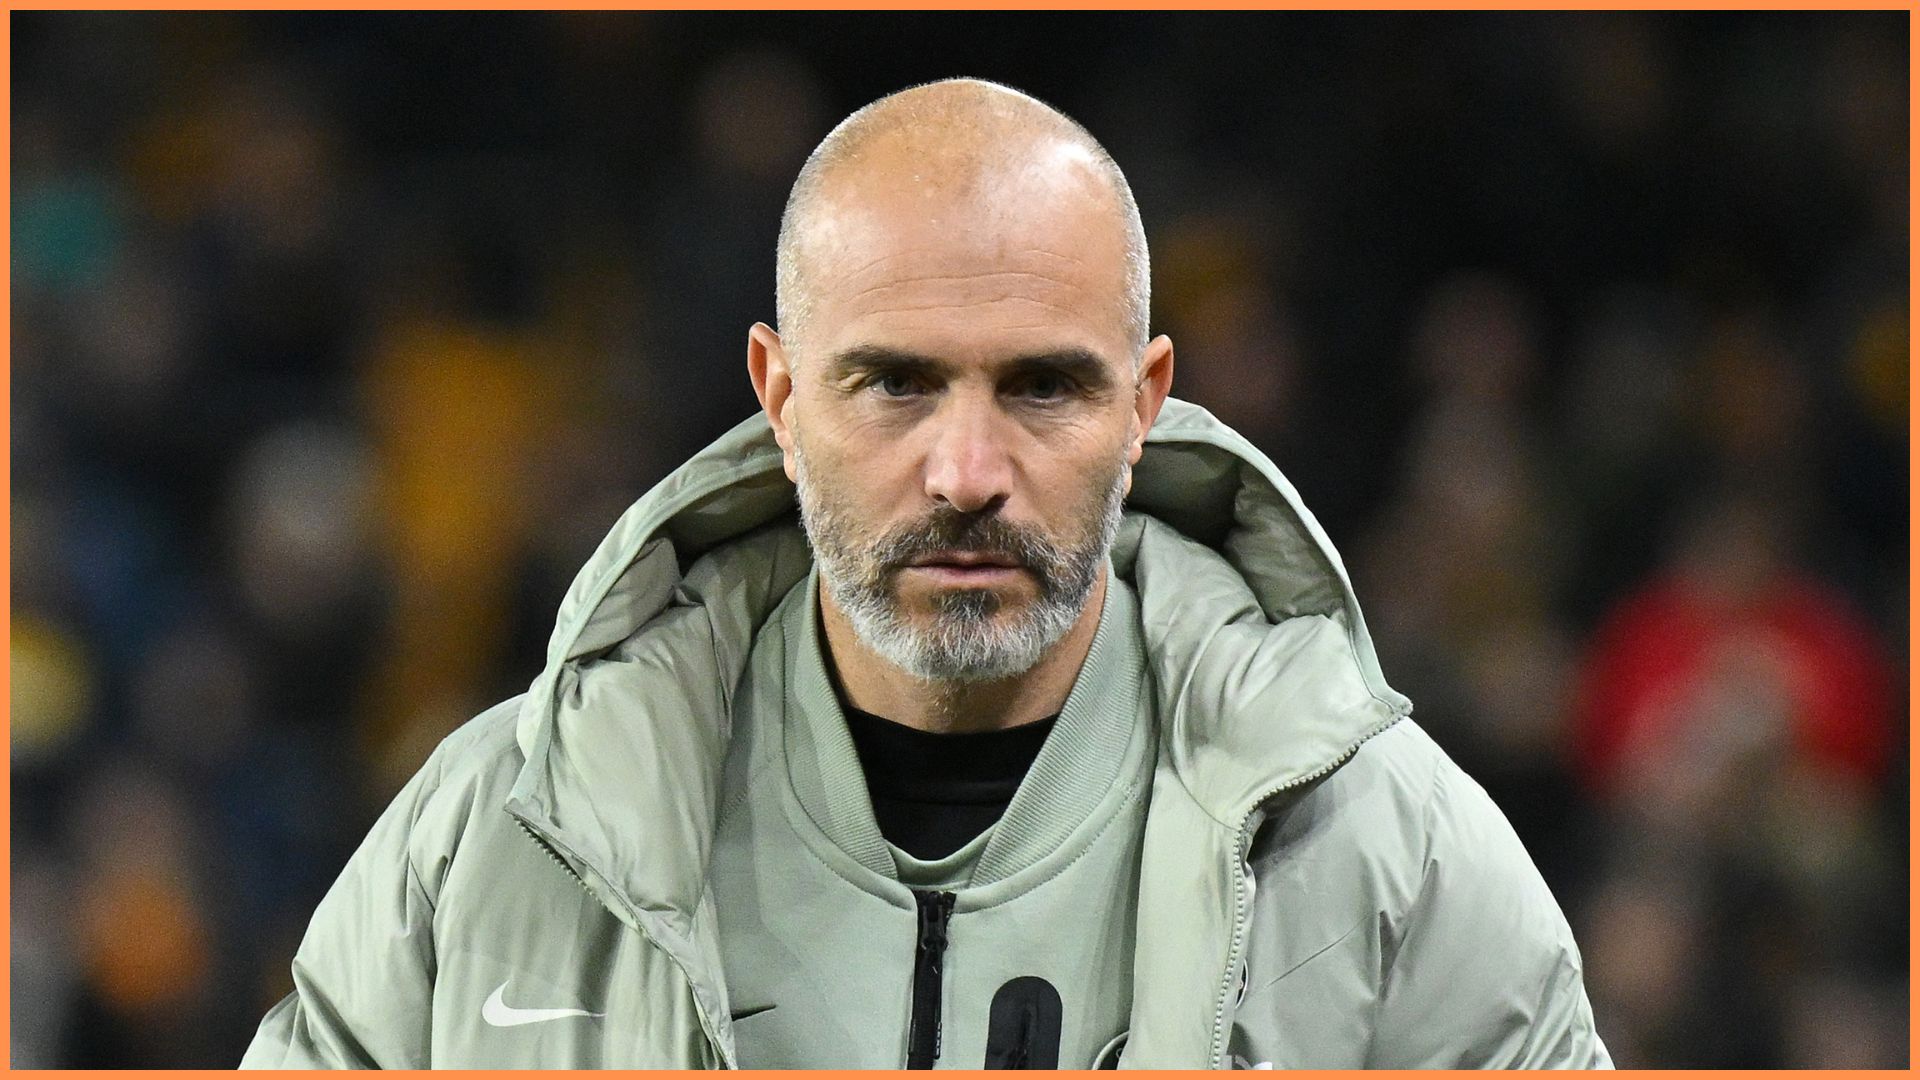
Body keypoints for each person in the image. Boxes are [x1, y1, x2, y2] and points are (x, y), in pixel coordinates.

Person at [242, 78, 1611, 1069]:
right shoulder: (496, 846)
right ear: (778, 398)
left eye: (1044, 388)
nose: (967, 469)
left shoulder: (1392, 861)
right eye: (895, 384)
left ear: (1145, 409)